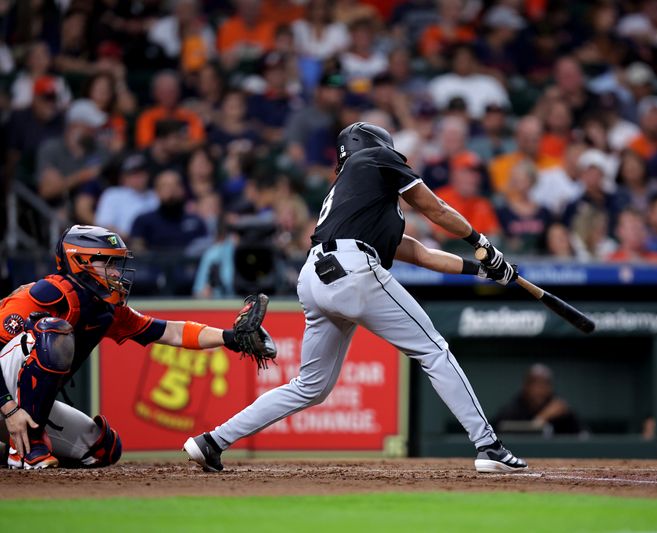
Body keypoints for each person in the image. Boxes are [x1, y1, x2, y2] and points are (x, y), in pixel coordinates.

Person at [184, 122, 528, 474]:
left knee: (310, 386)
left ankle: (212, 441)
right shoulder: (375, 157)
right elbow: (435, 208)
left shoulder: (358, 195)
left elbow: (420, 253)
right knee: (433, 349)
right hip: (350, 268)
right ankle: (488, 446)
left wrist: (483, 269)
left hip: (315, 276)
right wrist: (481, 242)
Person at [0, 225, 273, 469]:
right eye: (108, 263)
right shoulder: (44, 295)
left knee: (103, 448)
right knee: (52, 332)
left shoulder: (104, 309)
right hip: (6, 402)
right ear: (80, 261)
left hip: (24, 406)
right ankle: (26, 450)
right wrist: (9, 410)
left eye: (117, 264)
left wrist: (230, 338)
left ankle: (9, 449)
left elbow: (171, 332)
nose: (117, 273)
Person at [493, 364, 581, 435]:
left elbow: (583, 436)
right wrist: (542, 418)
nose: (540, 390)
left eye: (545, 384)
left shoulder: (560, 410)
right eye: (535, 384)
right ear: (526, 386)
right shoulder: (512, 410)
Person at [94, 154, 159, 239]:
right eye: (133, 174)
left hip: (153, 246)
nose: (138, 178)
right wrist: (130, 239)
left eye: (141, 173)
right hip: (121, 244)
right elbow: (104, 225)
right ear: (123, 177)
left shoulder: (155, 196)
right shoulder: (113, 194)